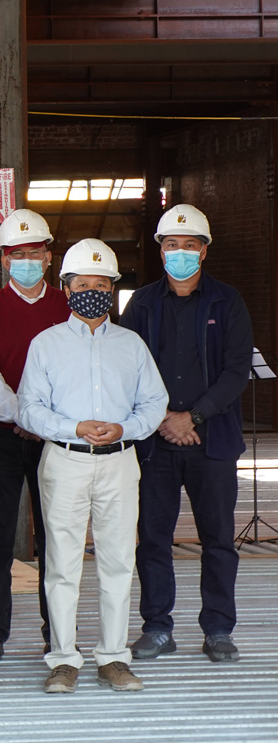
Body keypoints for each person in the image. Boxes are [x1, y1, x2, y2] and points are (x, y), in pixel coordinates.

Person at [18, 239, 169, 695]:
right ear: (66, 288)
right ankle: (63, 659)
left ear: (113, 289)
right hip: (65, 460)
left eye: (101, 285)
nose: (92, 293)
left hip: (119, 461)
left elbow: (155, 402)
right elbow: (29, 408)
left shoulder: (131, 345)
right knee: (62, 563)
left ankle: (113, 657)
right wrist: (74, 427)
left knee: (118, 560)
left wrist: (124, 428)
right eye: (82, 285)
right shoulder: (46, 344)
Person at [124, 204, 252, 664]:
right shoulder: (142, 303)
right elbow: (127, 368)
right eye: (172, 245)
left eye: (190, 245)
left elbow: (236, 371)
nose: (180, 252)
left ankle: (218, 629)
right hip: (154, 444)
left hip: (212, 442)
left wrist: (192, 417)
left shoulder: (227, 301)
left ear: (204, 250)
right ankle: (157, 627)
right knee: (153, 539)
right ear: (161, 251)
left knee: (217, 539)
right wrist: (162, 418)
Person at [0, 210, 68, 660]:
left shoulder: (70, 304)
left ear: (48, 256)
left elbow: (77, 374)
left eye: (34, 252)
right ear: (4, 259)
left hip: (57, 438)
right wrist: (25, 417)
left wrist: (45, 423)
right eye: (16, 254)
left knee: (56, 537)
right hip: (3, 437)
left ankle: (58, 632)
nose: (25, 260)